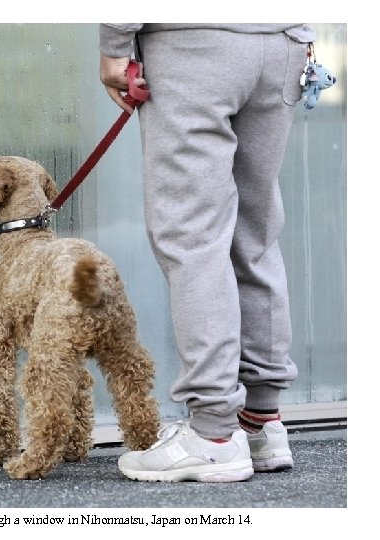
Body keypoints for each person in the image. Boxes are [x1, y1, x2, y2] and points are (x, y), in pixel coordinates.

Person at [99, 23, 317, 482]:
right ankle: (260, 420)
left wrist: (115, 44)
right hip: (282, 43)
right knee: (253, 234)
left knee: (193, 237)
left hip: (195, 44)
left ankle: (214, 434)